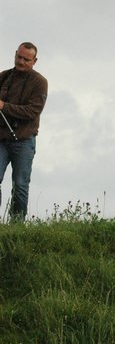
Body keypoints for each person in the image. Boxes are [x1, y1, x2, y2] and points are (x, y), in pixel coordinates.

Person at [0, 42, 48, 221]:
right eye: (19, 57)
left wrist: (4, 106)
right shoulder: (3, 77)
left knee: (20, 185)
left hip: (24, 140)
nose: (21, 62)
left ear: (34, 61)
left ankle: (17, 224)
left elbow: (32, 111)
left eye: (26, 59)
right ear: (15, 54)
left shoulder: (40, 82)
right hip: (1, 139)